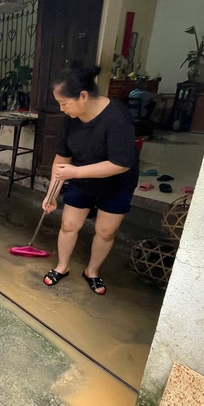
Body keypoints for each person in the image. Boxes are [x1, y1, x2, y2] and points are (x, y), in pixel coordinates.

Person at [42, 66, 138, 295]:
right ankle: (62, 266)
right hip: (82, 180)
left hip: (117, 184)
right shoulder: (71, 119)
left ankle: (92, 272)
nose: (61, 109)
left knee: (105, 231)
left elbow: (121, 163)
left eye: (64, 103)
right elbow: (61, 159)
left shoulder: (117, 118)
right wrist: (51, 193)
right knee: (69, 225)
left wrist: (75, 173)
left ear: (83, 96)